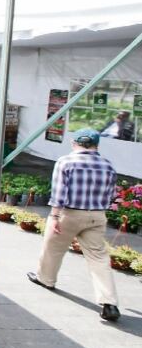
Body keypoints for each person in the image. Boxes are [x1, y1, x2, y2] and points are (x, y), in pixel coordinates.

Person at [27, 128, 120, 322]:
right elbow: (111, 195)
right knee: (98, 258)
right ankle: (109, 302)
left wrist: (53, 216)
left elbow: (59, 193)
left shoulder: (66, 161)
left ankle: (46, 279)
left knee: (53, 248)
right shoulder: (107, 165)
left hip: (70, 213)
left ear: (74, 143)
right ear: (96, 145)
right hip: (97, 215)